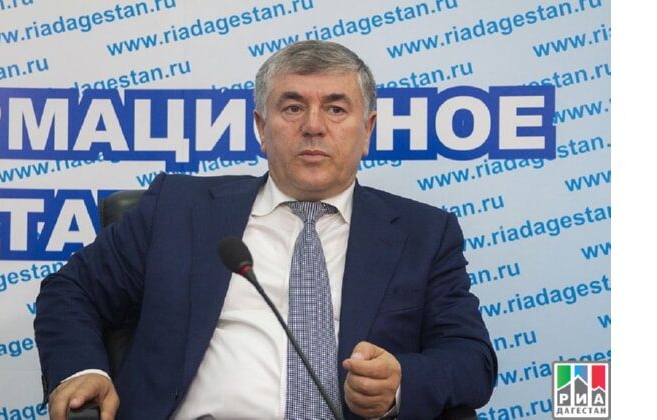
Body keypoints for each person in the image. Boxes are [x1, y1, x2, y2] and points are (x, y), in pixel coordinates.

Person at [34, 40, 497, 420]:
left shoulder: (424, 233)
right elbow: (72, 291)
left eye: (336, 109)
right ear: (261, 126)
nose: (313, 126)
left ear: (367, 130)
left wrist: (400, 383)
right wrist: (81, 371)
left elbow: (470, 358)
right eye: (292, 108)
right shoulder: (179, 209)